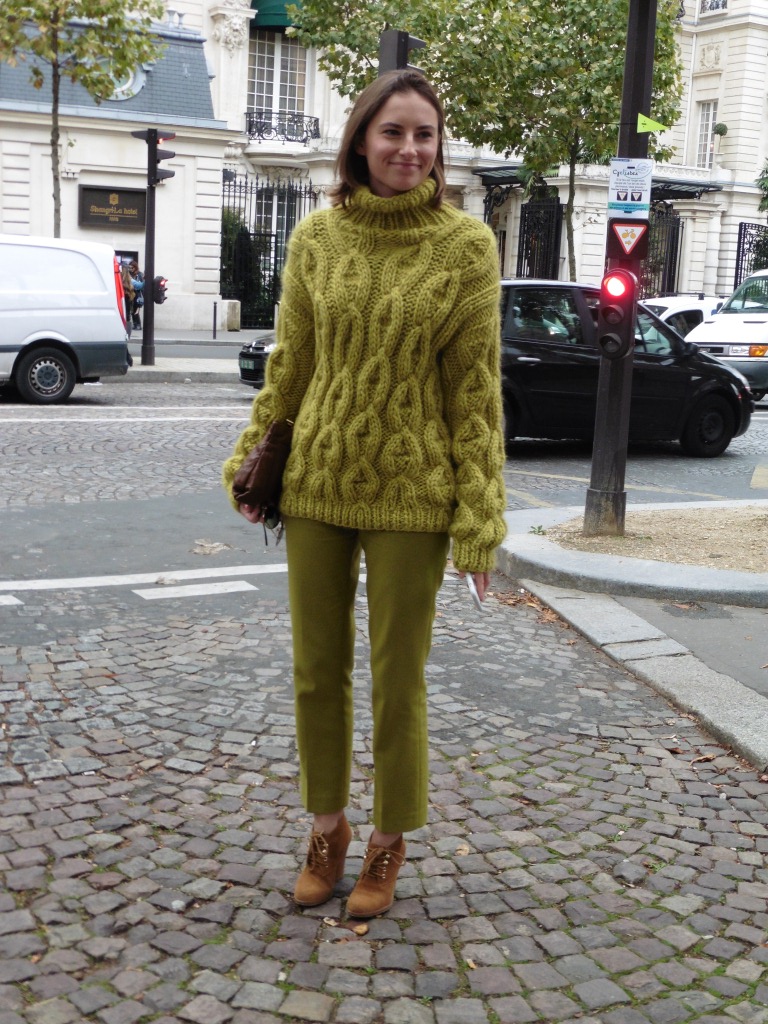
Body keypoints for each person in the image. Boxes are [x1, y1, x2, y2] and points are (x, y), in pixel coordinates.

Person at [222, 69, 507, 918]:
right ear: (359, 142)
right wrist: (249, 461)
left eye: (424, 134)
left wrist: (480, 519)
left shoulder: (467, 248)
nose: (409, 149)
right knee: (316, 670)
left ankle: (387, 840)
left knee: (397, 676)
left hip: (414, 490)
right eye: (392, 132)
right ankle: (327, 829)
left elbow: (474, 395)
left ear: (438, 148)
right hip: (316, 481)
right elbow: (292, 365)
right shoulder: (316, 239)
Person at [128, 260, 144, 330]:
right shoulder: (129, 274)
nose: (131, 269)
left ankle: (138, 324)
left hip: (138, 294)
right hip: (132, 294)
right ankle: (135, 324)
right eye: (130, 268)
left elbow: (141, 285)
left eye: (132, 268)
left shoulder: (139, 274)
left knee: (136, 310)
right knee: (132, 310)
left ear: (135, 267)